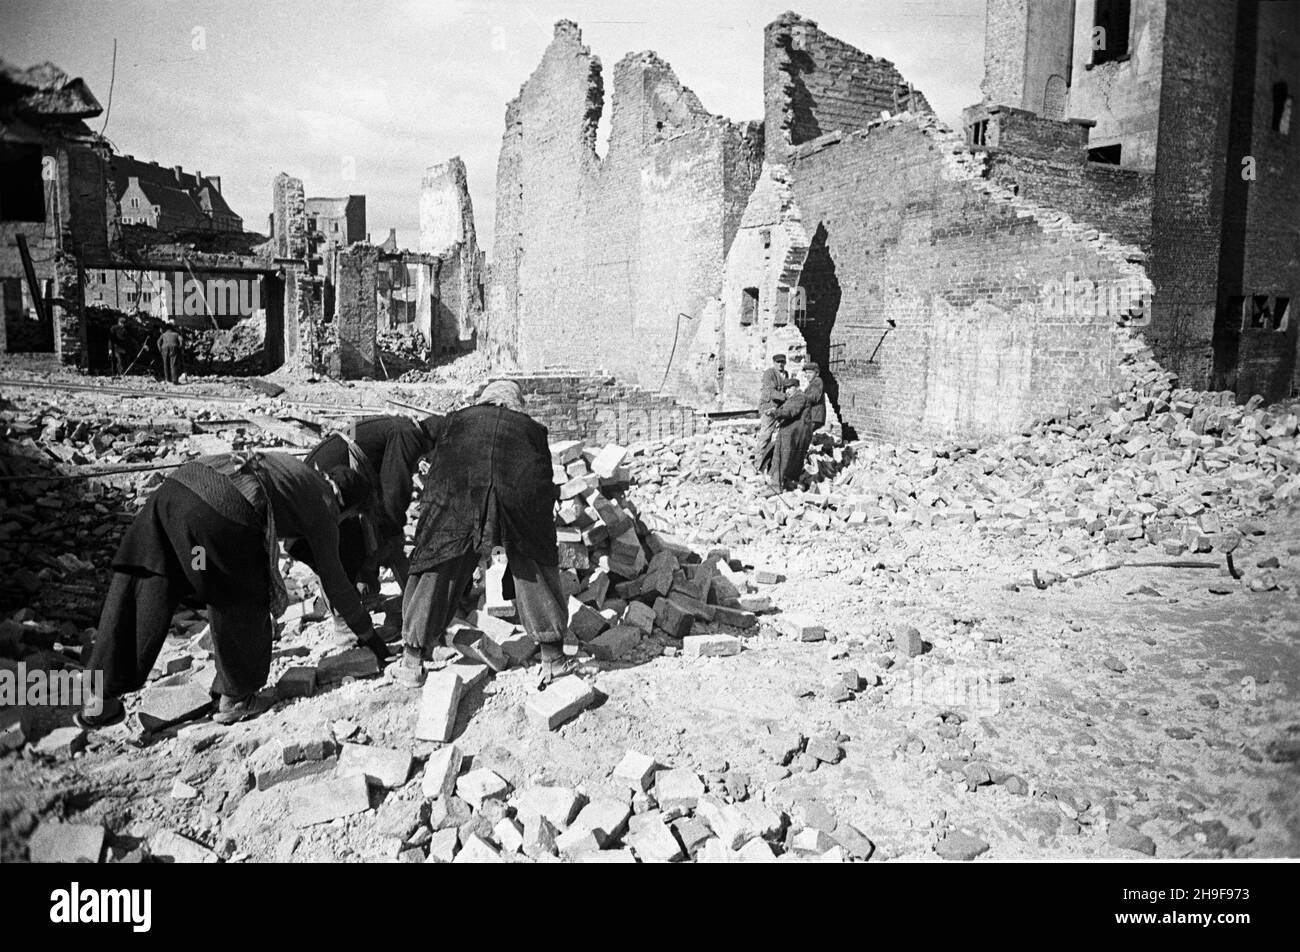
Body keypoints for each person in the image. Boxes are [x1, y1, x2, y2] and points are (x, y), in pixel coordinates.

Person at [77, 452, 382, 728]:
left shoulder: (299, 472)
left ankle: (99, 699)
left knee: (147, 580)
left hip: (178, 488)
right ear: (347, 506)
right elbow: (336, 581)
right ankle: (236, 696)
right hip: (224, 506)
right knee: (242, 593)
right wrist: (371, 637)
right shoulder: (326, 505)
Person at [394, 380, 575, 688]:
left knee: (439, 558)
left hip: (458, 491)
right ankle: (553, 658)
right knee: (532, 561)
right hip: (518, 491)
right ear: (517, 403)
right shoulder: (531, 429)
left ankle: (412, 662)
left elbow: (436, 468)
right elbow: (543, 479)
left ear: (484, 400)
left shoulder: (456, 420)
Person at [289, 413, 442, 645]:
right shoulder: (408, 435)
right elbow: (394, 490)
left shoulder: (395, 426)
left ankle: (366, 602)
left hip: (320, 480)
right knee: (344, 553)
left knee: (348, 548)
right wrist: (389, 536)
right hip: (328, 491)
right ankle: (355, 625)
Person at [766, 362, 824, 493]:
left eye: (789, 388)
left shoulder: (802, 395)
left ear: (796, 387)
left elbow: (790, 411)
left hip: (794, 431)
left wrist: (775, 413)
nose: (787, 391)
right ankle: (788, 482)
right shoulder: (797, 396)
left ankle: (777, 486)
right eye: (785, 389)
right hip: (795, 430)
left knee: (783, 457)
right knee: (791, 457)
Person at [754, 353, 798, 473]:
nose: (780, 364)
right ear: (774, 363)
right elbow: (772, 392)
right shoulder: (769, 373)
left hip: (780, 410)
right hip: (768, 408)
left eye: (782, 362)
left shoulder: (786, 374)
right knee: (766, 435)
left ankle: (772, 464)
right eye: (778, 362)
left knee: (780, 437)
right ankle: (758, 464)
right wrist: (787, 397)